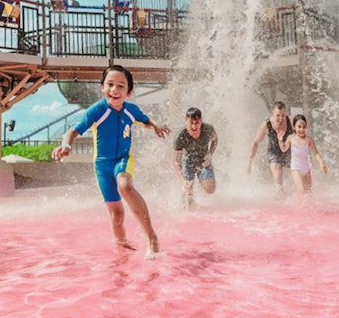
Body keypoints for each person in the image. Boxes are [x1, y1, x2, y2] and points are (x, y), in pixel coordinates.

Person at [52, 65, 170, 258]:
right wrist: (66, 146)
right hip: (102, 166)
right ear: (102, 88)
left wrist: (156, 126)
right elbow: (73, 131)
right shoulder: (97, 110)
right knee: (117, 216)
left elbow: (145, 120)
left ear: (129, 92)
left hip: (122, 158)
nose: (115, 90)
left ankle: (151, 237)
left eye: (121, 86)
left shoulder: (131, 110)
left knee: (125, 185)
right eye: (110, 85)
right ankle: (122, 250)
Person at [172, 107, 219, 210]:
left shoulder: (208, 129)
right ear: (186, 121)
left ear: (201, 121)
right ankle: (190, 206)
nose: (194, 126)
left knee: (210, 189)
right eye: (191, 123)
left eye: (197, 123)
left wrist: (210, 155)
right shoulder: (180, 136)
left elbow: (215, 140)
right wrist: (183, 180)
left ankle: (201, 182)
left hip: (203, 162)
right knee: (187, 193)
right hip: (188, 164)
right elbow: (175, 161)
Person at [247, 101, 293, 200]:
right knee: (278, 176)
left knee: (293, 179)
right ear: (272, 114)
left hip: (289, 151)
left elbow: (302, 139)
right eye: (278, 115)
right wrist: (250, 161)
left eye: (283, 115)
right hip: (274, 151)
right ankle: (279, 198)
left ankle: (292, 198)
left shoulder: (291, 121)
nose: (280, 118)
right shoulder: (267, 124)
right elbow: (255, 142)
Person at [279, 113, 327, 197]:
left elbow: (316, 153)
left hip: (306, 169)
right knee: (301, 190)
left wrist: (321, 162)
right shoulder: (291, 138)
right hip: (295, 168)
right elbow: (283, 149)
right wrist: (280, 139)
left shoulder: (309, 140)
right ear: (294, 127)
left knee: (308, 193)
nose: (301, 129)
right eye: (299, 127)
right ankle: (298, 208)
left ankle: (307, 208)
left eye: (304, 127)